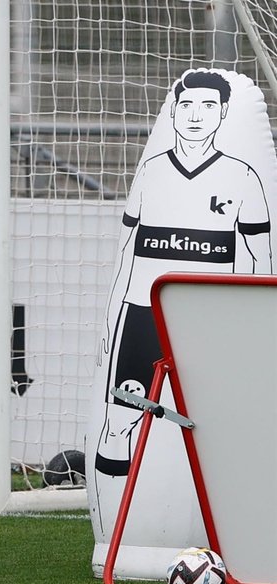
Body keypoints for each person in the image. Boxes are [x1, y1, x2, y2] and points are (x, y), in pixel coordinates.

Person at [91, 70, 271, 533]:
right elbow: (130, 251)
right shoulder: (152, 172)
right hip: (143, 314)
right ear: (174, 111)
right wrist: (114, 318)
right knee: (118, 424)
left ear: (223, 114)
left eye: (208, 106)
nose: (195, 116)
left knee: (224, 427)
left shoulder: (242, 176)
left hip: (214, 319)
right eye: (187, 105)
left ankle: (235, 537)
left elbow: (259, 258)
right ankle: (124, 541)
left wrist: (253, 325)